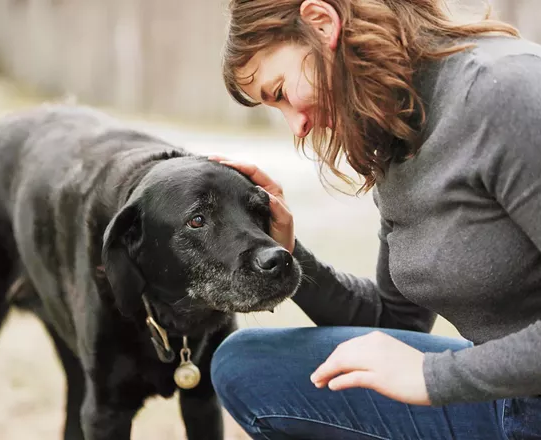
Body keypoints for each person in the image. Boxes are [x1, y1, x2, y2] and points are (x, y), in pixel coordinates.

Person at [207, 0, 541, 438]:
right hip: (506, 394)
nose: (297, 127)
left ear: (322, 23)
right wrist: (287, 249)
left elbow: (419, 366)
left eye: (282, 92)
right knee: (250, 366)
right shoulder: (398, 127)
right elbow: (396, 321)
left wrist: (433, 376)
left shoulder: (504, 93)